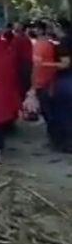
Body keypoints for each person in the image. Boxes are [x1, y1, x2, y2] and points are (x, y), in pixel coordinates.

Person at [30, 20, 58, 147]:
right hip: (45, 81)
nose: (34, 30)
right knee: (48, 112)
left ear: (41, 30)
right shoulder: (45, 44)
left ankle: (54, 138)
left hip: (45, 82)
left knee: (48, 112)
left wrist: (33, 84)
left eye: (36, 28)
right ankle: (53, 137)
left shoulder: (43, 45)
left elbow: (38, 65)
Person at [50, 18, 72, 152]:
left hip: (66, 79)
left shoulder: (64, 42)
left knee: (64, 113)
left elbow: (65, 63)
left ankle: (67, 143)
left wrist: (46, 64)